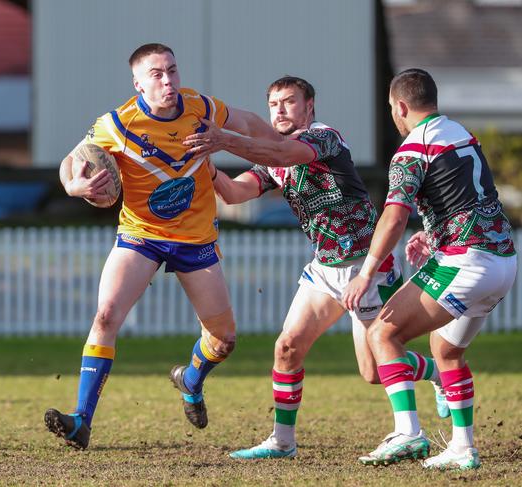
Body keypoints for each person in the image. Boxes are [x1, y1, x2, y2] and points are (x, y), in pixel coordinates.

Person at [183, 75, 447, 460]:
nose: (280, 110)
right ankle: (283, 441)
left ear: (310, 107)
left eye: (289, 102)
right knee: (287, 347)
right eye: (273, 104)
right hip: (324, 269)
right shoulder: (275, 157)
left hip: (366, 266)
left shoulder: (324, 138)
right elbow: (235, 192)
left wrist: (221, 137)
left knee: (374, 370)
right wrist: (202, 161)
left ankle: (435, 379)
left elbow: (282, 155)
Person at [44, 43, 281, 450]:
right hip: (141, 235)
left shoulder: (200, 107)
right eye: (156, 74)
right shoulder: (118, 124)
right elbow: (73, 159)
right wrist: (75, 185)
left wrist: (282, 145)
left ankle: (190, 380)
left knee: (223, 340)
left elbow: (248, 121)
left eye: (172, 70)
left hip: (196, 240)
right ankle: (81, 421)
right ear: (138, 83)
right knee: (105, 315)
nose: (168, 80)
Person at [343, 68, 517, 469]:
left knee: (383, 333)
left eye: (391, 108)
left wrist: (367, 273)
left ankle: (408, 432)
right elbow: (466, 198)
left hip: (468, 261)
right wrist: (435, 236)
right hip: (503, 261)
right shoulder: (460, 133)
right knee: (446, 351)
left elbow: (393, 216)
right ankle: (462, 447)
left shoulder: (411, 149)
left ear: (400, 106)